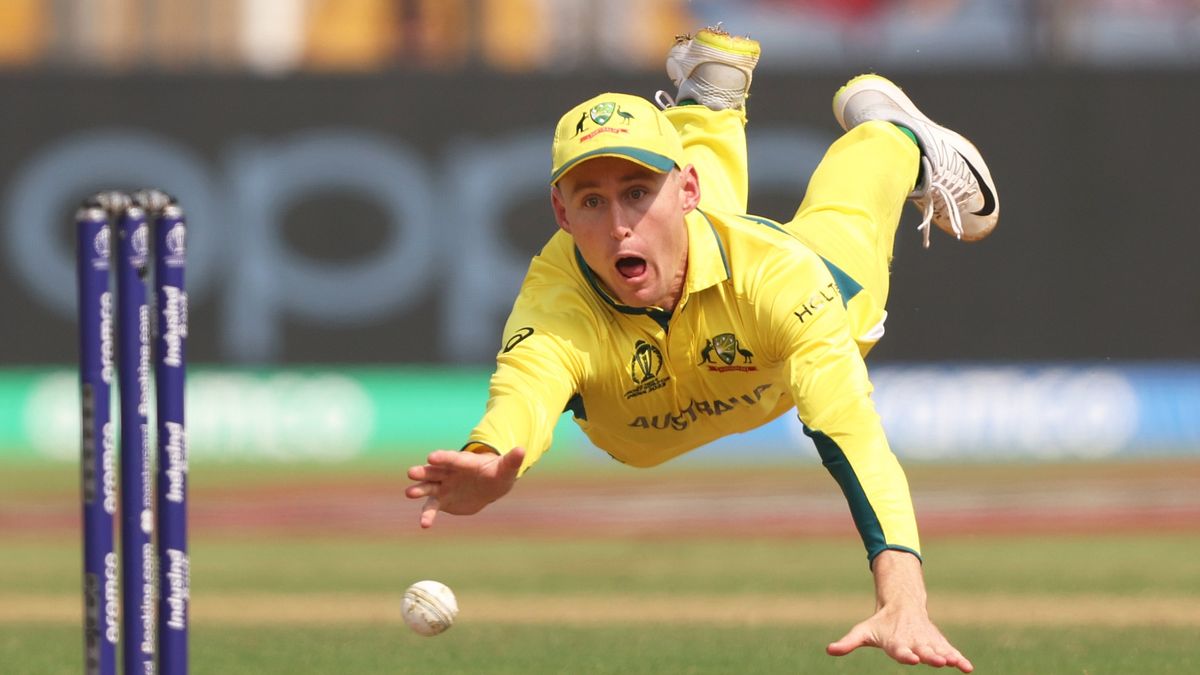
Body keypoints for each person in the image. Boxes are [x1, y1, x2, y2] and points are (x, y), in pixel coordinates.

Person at [406, 25, 997, 673]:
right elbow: (524, 390)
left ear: (680, 190)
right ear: (561, 212)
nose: (618, 223)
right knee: (667, 240)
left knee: (847, 218)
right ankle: (708, 105)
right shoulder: (558, 298)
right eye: (591, 201)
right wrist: (487, 461)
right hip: (636, 428)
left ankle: (893, 132)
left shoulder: (781, 277)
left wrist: (903, 597)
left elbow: (853, 435)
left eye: (636, 192)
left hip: (769, 341)